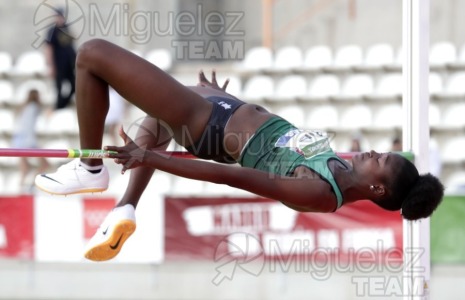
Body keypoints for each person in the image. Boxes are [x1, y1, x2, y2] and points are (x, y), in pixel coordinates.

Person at [34, 39, 444, 261]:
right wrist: (223, 98)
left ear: (378, 191)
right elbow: (275, 134)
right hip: (216, 109)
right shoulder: (338, 164)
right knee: (153, 125)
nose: (373, 153)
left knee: (91, 55)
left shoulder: (320, 192)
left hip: (205, 125)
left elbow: (233, 176)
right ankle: (125, 208)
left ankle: (89, 168)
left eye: (381, 161)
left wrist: (153, 159)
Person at [12, 89, 49, 191]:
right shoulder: (34, 107)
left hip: (19, 141)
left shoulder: (24, 108)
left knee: (24, 168)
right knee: (45, 164)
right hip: (28, 141)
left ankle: (22, 188)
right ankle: (32, 185)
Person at [45, 8, 77, 110]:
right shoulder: (52, 31)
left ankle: (62, 105)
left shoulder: (66, 28)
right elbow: (49, 48)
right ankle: (59, 107)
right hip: (58, 65)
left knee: (74, 85)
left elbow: (71, 44)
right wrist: (51, 66)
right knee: (59, 89)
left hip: (69, 64)